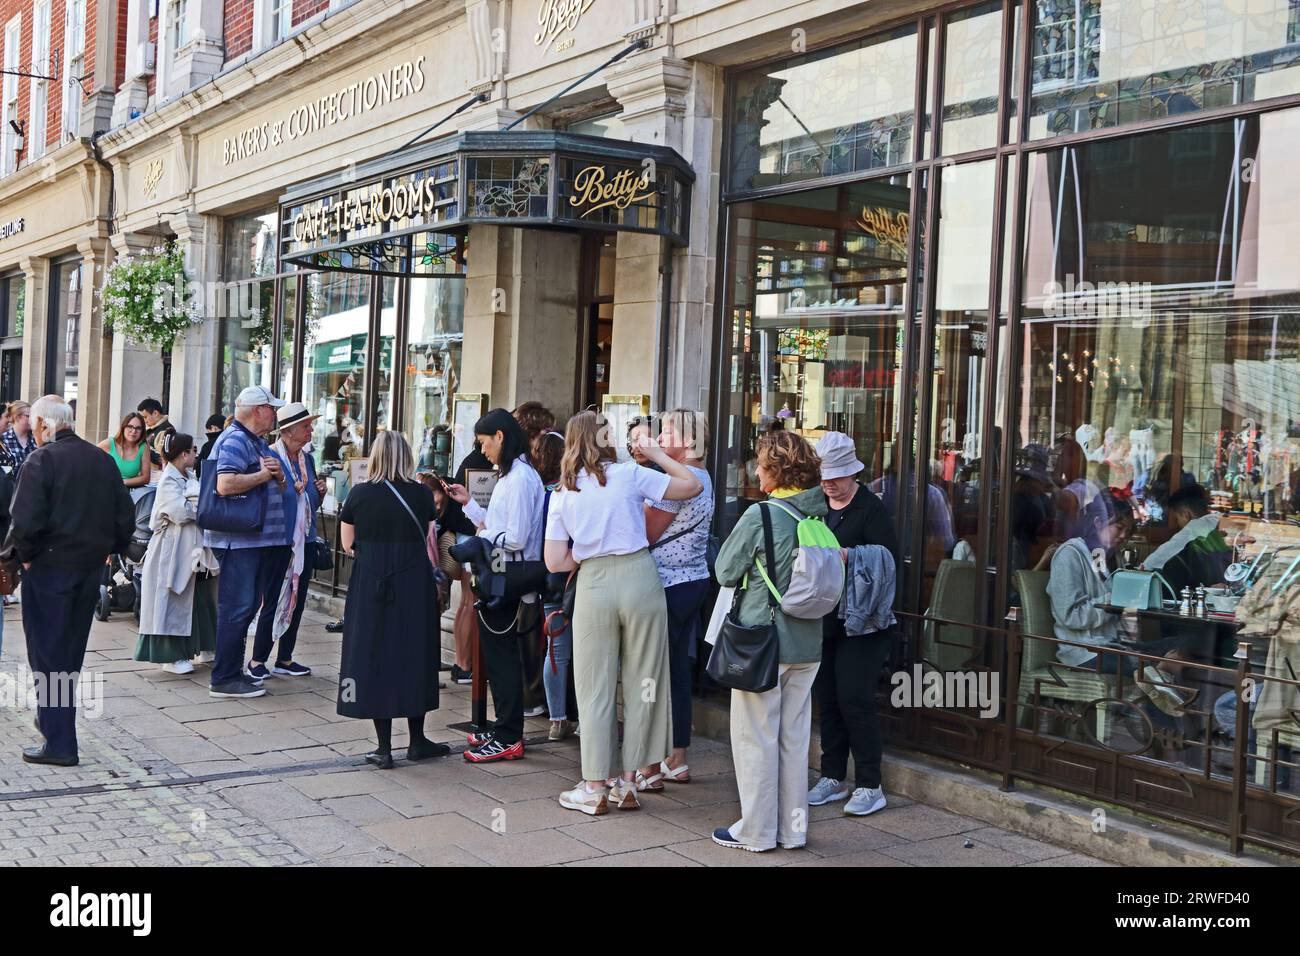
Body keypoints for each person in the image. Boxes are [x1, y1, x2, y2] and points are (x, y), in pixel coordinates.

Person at [544, 410, 701, 815]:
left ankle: (595, 785)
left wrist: (584, 551)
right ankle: (630, 780)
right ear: (607, 439)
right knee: (643, 681)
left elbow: (553, 561)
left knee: (594, 687)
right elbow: (692, 485)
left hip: (595, 582)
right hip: (641, 578)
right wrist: (658, 454)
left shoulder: (564, 492)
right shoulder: (630, 475)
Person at [711, 430, 828, 851]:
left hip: (763, 644)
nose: (754, 471)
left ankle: (757, 832)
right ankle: (793, 830)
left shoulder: (762, 516)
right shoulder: (817, 516)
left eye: (760, 464)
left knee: (755, 739)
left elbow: (725, 570)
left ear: (775, 471)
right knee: (794, 741)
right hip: (807, 644)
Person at [4, 395, 133, 766]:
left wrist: (22, 558)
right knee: (68, 654)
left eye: (36, 425)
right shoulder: (101, 459)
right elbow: (125, 516)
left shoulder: (41, 459)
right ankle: (53, 724)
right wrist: (111, 548)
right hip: (87, 568)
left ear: (44, 424)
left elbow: (23, 522)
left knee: (48, 655)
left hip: (49, 568)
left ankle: (59, 741)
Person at [337, 430, 448, 768]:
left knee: (374, 655)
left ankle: (383, 747)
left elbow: (346, 544)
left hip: (372, 583)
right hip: (413, 581)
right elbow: (428, 533)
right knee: (415, 653)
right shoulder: (420, 495)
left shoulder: (359, 494)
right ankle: (417, 740)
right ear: (407, 457)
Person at [806, 432, 898, 817]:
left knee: (854, 698)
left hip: (865, 621)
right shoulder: (814, 504)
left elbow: (888, 561)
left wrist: (849, 555)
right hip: (824, 614)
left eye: (837, 476)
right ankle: (831, 776)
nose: (830, 482)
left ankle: (870, 784)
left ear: (853, 473)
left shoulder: (870, 508)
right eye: (825, 475)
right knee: (826, 697)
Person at [445, 409, 546, 763]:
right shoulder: (512, 475)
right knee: (497, 653)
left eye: (484, 442)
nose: (482, 450)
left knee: (502, 655)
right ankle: (504, 726)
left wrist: (480, 539)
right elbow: (499, 524)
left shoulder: (519, 478)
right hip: (503, 570)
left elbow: (515, 537)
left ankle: (508, 735)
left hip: (509, 573)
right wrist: (469, 505)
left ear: (500, 436)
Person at [637, 408, 714, 790]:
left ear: (687, 440)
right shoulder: (705, 478)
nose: (660, 439)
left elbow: (648, 533)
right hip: (694, 581)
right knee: (677, 672)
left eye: (667, 433)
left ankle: (650, 765)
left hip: (666, 586)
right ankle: (677, 757)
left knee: (650, 672)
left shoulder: (677, 483)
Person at [203, 385, 291, 699]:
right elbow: (225, 484)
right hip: (237, 541)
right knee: (237, 607)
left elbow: (276, 486)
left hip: (251, 541)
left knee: (246, 605)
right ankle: (224, 678)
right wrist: (265, 476)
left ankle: (232, 672)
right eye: (273, 408)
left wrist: (278, 476)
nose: (276, 415)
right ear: (258, 410)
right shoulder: (235, 440)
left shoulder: (255, 442)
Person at [247, 403, 327, 680]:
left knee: (298, 599)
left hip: (304, 539)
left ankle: (285, 657)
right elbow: (268, 497)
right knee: (273, 598)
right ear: (289, 431)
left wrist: (320, 492)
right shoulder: (270, 456)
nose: (311, 430)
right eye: (306, 426)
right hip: (278, 538)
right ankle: (258, 659)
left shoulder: (309, 460)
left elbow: (311, 504)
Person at [134, 434, 219, 675]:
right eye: (192, 450)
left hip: (194, 547)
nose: (195, 454)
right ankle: (169, 656)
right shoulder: (168, 480)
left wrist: (197, 503)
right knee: (171, 598)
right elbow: (180, 512)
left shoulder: (187, 476)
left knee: (200, 597)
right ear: (183, 454)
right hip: (171, 549)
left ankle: (204, 646)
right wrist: (200, 505)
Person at [534, 429, 580, 740]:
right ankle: (581, 719)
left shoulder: (539, 492)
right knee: (585, 651)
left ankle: (557, 718)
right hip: (576, 575)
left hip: (550, 578)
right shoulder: (571, 492)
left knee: (556, 650)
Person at [513, 402, 557, 719]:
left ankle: (537, 698)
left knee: (534, 635)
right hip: (537, 567)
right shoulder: (526, 475)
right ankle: (539, 699)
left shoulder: (528, 476)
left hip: (536, 567)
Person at [1143, 484, 1232, 594]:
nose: (1178, 524)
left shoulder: (1192, 530)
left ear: (1186, 514)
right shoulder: (1219, 523)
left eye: (1177, 518)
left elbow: (1149, 565)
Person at [98, 412, 153, 489]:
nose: (133, 431)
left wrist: (121, 482)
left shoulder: (143, 447)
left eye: (138, 428)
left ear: (142, 431)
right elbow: (89, 460)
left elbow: (145, 478)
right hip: (106, 489)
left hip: (127, 493)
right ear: (123, 427)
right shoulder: (109, 444)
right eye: (130, 426)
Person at [138, 397, 176, 471]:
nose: (144, 421)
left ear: (155, 413)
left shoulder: (167, 430)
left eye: (145, 417)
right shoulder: (151, 429)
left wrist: (142, 448)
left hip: (156, 476)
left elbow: (163, 459)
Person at [2, 400, 37, 476]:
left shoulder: (36, 439)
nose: (32, 420)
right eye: (28, 416)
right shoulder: (4, 440)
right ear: (17, 417)